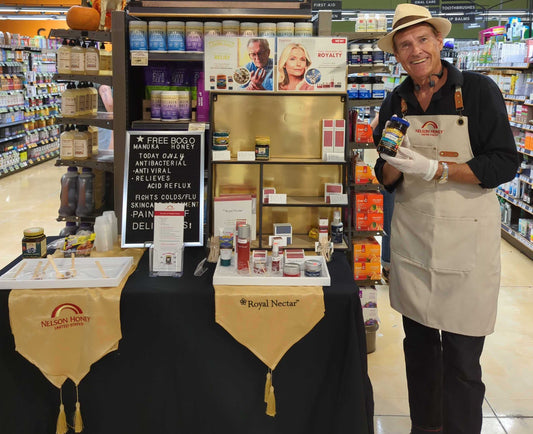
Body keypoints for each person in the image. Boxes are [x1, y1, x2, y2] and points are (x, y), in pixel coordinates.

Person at [373, 4, 519, 434]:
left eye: (422, 40)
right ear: (397, 55)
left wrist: (437, 170)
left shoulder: (477, 91)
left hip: (466, 246)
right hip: (415, 241)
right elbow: (384, 176)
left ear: (438, 42)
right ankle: (426, 428)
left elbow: (505, 163)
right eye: (404, 45)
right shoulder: (395, 99)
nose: (415, 51)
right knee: (418, 351)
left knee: (460, 361)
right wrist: (396, 163)